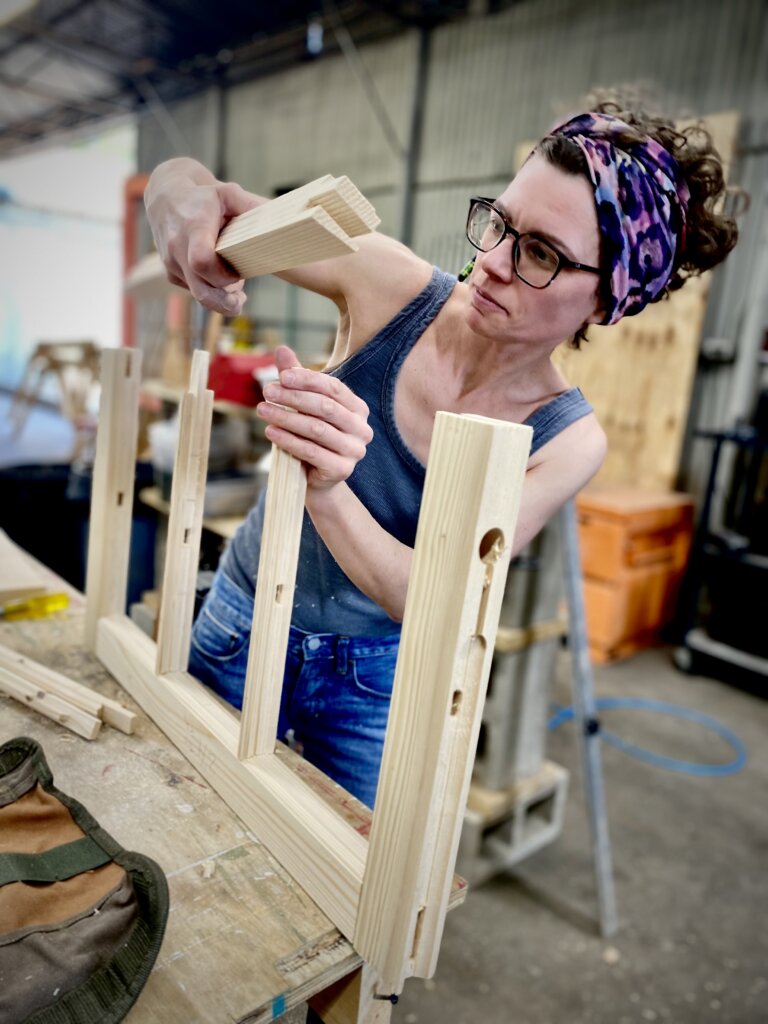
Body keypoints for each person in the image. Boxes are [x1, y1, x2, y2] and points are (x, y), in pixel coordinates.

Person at [145, 92, 738, 809]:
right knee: (185, 820)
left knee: (346, 885)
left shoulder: (565, 439)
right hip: (244, 620)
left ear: (608, 301)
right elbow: (221, 203)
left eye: (541, 254)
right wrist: (174, 193)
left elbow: (431, 598)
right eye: (499, 224)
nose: (490, 263)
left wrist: (329, 488)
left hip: (374, 683)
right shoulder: (390, 285)